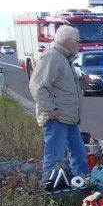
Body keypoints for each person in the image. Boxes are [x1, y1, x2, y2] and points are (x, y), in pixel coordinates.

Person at [29, 24, 89, 181]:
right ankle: (50, 188)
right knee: (54, 157)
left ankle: (81, 184)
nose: (79, 45)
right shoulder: (52, 57)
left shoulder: (63, 58)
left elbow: (63, 85)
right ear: (69, 41)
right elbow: (37, 86)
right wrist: (50, 109)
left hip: (69, 117)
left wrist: (82, 81)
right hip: (57, 117)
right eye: (78, 41)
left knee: (79, 154)